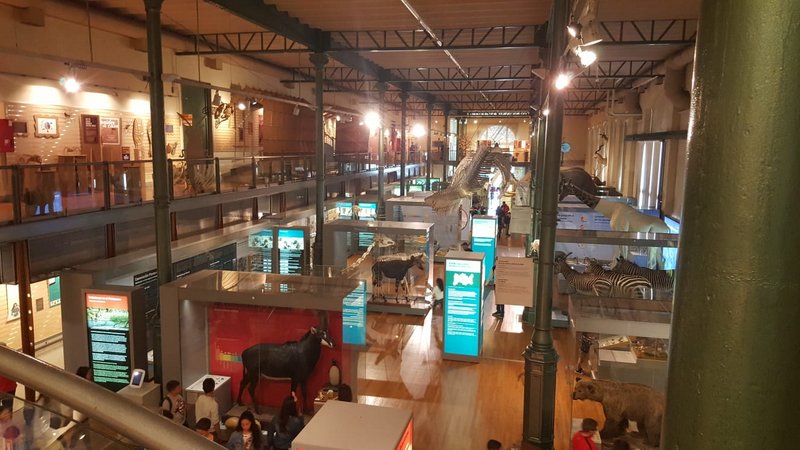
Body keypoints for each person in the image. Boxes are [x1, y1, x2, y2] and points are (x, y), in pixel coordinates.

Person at [0, 344, 16, 411]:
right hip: (9, 389)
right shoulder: (11, 361)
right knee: (7, 411)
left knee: (7, 411)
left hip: (8, 389)